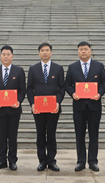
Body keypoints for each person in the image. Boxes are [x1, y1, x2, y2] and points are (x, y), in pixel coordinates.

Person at [65, 41, 105, 172]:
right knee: (80, 135)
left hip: (94, 106)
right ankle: (80, 161)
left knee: (94, 134)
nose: (83, 51)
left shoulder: (99, 66)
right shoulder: (72, 67)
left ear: (90, 51)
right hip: (79, 107)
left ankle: (93, 161)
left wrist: (99, 94)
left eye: (85, 49)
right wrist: (73, 93)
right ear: (78, 52)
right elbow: (67, 84)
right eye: (81, 49)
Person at [27, 43, 65, 172]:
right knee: (40, 134)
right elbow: (29, 88)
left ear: (51, 52)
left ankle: (52, 161)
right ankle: (42, 161)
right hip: (38, 108)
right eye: (42, 50)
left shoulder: (58, 68)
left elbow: (62, 88)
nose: (44, 52)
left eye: (47, 50)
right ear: (39, 53)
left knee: (51, 134)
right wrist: (32, 103)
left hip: (53, 108)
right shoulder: (33, 69)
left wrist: (58, 102)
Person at [0, 45, 26, 171]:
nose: (6, 56)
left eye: (8, 54)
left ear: (12, 56)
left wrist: (19, 101)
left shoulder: (19, 71)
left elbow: (22, 90)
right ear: (0, 56)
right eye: (3, 54)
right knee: (2, 135)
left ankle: (12, 161)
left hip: (14, 109)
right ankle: (1, 160)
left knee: (13, 135)